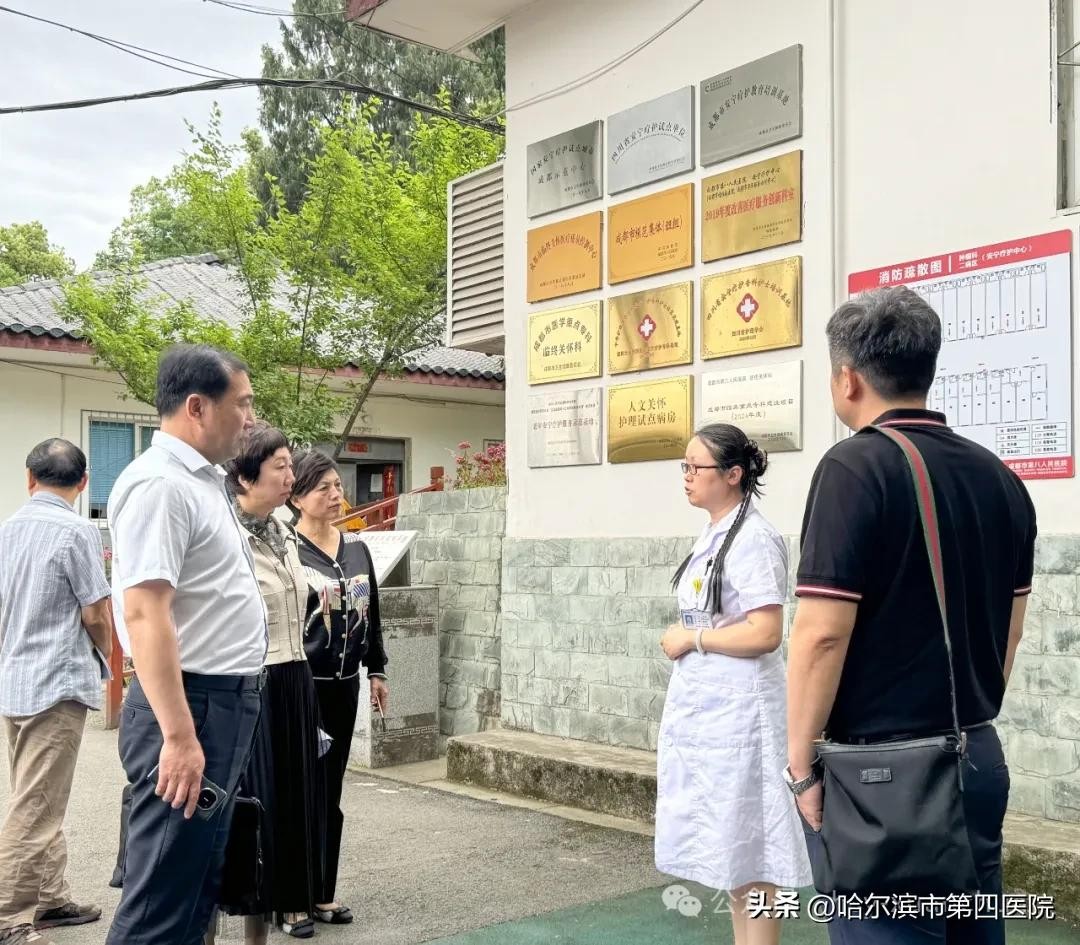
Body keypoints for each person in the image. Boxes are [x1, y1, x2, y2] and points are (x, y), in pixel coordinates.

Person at [786, 286, 1037, 944]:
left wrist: (800, 766)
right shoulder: (1002, 479)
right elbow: (1009, 632)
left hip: (883, 777)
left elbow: (821, 635)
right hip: (974, 754)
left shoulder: (853, 468)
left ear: (847, 378)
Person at [106, 344, 265, 945]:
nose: (250, 418)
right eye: (242, 403)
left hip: (216, 702)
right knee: (162, 900)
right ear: (197, 407)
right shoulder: (161, 485)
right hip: (190, 705)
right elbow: (145, 613)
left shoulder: (201, 482)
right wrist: (178, 736)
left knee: (197, 886)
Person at [656, 424, 811, 945]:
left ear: (733, 474)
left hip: (743, 714)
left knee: (755, 846)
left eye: (695, 467)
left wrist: (693, 638)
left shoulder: (754, 539)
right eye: (683, 466)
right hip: (715, 712)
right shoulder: (717, 532)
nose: (686, 476)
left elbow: (765, 632)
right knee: (734, 845)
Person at [0, 440, 113, 945]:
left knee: (37, 795)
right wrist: (109, 655)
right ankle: (9, 916)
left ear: (30, 478)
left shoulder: (7, 529)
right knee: (36, 805)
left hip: (15, 678)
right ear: (83, 483)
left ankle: (50, 896)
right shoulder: (77, 531)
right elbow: (95, 613)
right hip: (56, 682)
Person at [216, 423, 325, 942]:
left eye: (290, 465)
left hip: (295, 679)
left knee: (295, 799)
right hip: (252, 680)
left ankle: (285, 911)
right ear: (244, 476)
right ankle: (232, 921)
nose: (290, 476)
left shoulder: (284, 532)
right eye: (279, 466)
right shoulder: (224, 535)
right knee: (254, 807)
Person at [290, 449, 388, 927]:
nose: (335, 495)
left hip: (344, 688)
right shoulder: (287, 551)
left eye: (337, 486)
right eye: (322, 488)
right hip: (299, 686)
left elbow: (374, 614)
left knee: (329, 791)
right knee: (297, 791)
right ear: (296, 496)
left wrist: (377, 670)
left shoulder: (356, 549)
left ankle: (323, 892)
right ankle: (292, 897)